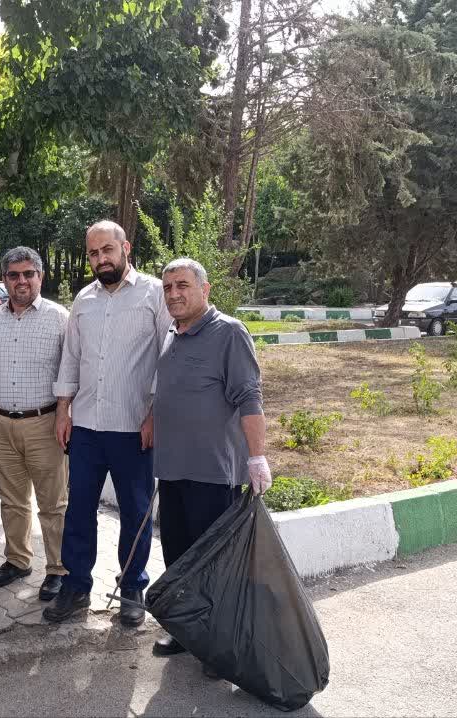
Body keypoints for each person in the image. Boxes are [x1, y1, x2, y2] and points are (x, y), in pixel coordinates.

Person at [44, 220, 173, 627]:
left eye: (107, 250)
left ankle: (132, 586)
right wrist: (63, 409)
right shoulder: (84, 300)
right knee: (79, 509)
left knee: (135, 511)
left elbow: (168, 356)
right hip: (85, 426)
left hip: (134, 426)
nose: (101, 259)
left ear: (125, 248)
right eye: (93, 253)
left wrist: (154, 414)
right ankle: (76, 585)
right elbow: (71, 358)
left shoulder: (155, 294)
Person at [150, 257, 271, 670]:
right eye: (167, 288)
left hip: (212, 475)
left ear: (205, 290)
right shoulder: (173, 333)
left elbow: (249, 397)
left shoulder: (229, 333)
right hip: (172, 471)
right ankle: (186, 632)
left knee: (215, 564)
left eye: (182, 285)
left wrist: (257, 456)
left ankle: (220, 644)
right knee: (179, 557)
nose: (173, 294)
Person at [0, 246, 70, 600]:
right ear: (4, 279)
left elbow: (72, 372)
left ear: (40, 276)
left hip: (45, 424)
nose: (21, 281)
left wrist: (66, 415)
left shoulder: (59, 318)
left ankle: (58, 568)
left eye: (28, 274)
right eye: (13, 275)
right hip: (1, 425)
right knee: (11, 500)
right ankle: (17, 560)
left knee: (53, 503)